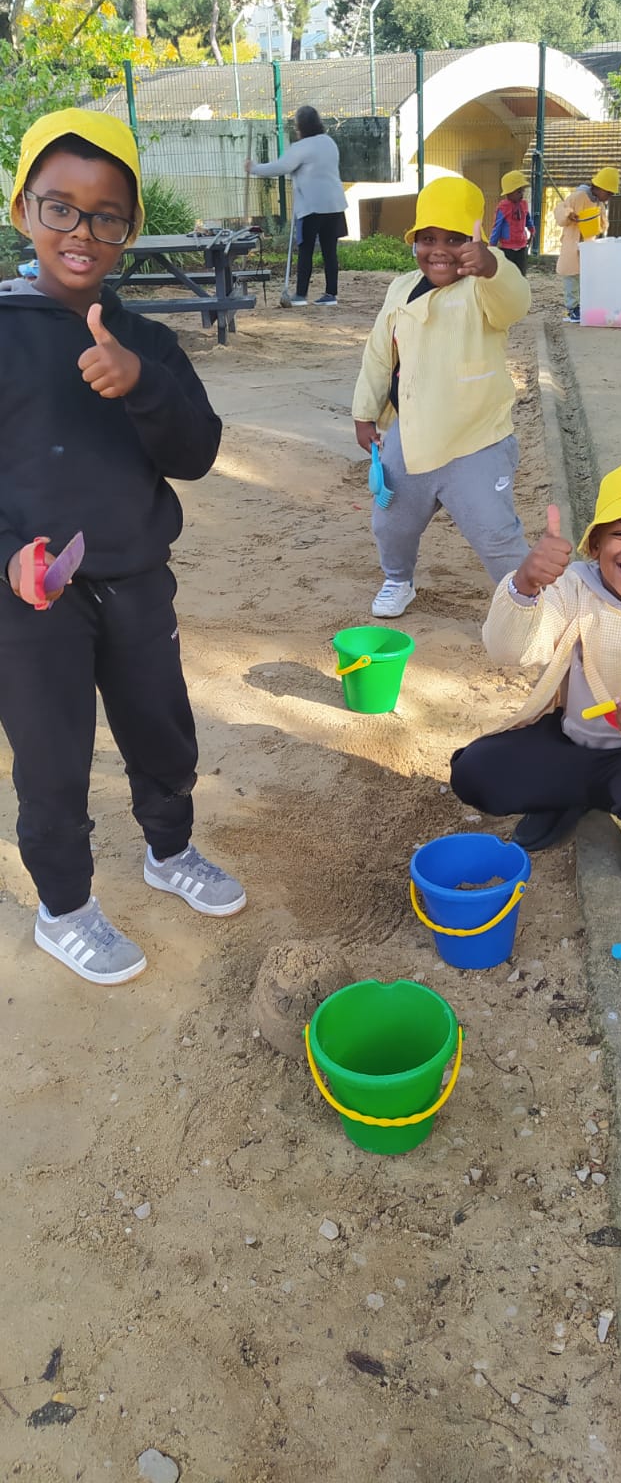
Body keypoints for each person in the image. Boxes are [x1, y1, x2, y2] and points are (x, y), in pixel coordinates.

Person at [0, 107, 246, 987]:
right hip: (30, 599)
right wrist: (8, 554)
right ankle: (65, 909)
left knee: (161, 732)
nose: (82, 232)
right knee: (53, 761)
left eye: (107, 216)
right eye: (61, 208)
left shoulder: (147, 342)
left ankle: (169, 852)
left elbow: (197, 453)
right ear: (23, 208)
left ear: (130, 228)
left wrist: (142, 385)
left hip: (137, 580)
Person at [450, 460, 621, 929]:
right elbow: (510, 650)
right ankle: (565, 799)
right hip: (571, 741)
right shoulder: (571, 587)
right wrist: (524, 586)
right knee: (476, 772)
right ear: (595, 544)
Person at [352, 176, 531, 619]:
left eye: (455, 239)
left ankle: (528, 601)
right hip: (410, 437)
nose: (440, 250)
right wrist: (364, 413)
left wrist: (492, 267)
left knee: (495, 532)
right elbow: (379, 353)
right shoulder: (400, 288)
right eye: (428, 239)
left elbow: (515, 303)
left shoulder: (482, 287)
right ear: (414, 242)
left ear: (477, 241)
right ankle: (397, 579)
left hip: (476, 441)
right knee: (391, 521)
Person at [246, 105, 347, 306]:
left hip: (311, 207)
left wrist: (254, 168)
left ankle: (301, 295)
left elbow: (281, 166)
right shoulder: (329, 142)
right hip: (334, 205)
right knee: (330, 251)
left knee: (305, 249)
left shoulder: (301, 147)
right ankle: (331, 295)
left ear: (301, 126)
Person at [554, 165, 620, 323]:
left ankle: (583, 306)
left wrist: (598, 224)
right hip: (572, 244)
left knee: (586, 278)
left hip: (588, 246)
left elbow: (603, 225)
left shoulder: (599, 203)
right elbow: (560, 211)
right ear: (599, 187)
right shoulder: (578, 196)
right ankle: (572, 309)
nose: (609, 197)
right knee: (571, 277)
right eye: (608, 193)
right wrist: (569, 214)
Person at [490, 170, 535, 275]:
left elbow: (527, 218)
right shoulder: (503, 207)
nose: (522, 194)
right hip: (507, 248)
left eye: (522, 191)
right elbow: (497, 227)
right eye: (519, 192)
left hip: (522, 246)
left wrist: (532, 230)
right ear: (509, 193)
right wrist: (492, 246)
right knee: (508, 274)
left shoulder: (523, 204)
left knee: (521, 273)